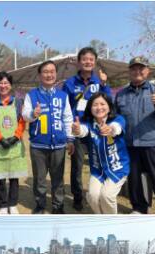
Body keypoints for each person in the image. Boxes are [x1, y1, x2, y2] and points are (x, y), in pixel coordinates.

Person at [116, 57, 155, 214]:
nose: (137, 71)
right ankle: (139, 208)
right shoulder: (121, 94)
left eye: (141, 68)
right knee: (134, 180)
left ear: (147, 71)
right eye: (133, 68)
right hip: (130, 144)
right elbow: (117, 118)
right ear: (129, 72)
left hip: (153, 143)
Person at [62, 47, 111, 211]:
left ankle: (99, 194)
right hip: (77, 131)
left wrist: (104, 84)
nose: (88, 62)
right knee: (76, 167)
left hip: (96, 130)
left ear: (94, 62)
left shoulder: (99, 82)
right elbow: (64, 108)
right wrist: (68, 135)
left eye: (91, 59)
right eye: (84, 59)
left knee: (99, 164)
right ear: (79, 62)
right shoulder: (69, 83)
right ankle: (77, 197)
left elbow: (108, 102)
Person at [22, 60, 74, 214]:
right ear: (39, 75)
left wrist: (70, 139)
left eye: (52, 71)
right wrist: (33, 114)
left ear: (56, 74)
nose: (49, 74)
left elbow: (68, 118)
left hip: (58, 146)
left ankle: (58, 206)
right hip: (38, 146)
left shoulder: (63, 96)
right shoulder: (31, 95)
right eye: (45, 71)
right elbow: (25, 115)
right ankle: (40, 205)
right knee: (39, 179)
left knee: (58, 179)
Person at [72, 93, 130, 213]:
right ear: (90, 108)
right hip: (98, 170)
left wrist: (110, 129)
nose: (99, 108)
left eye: (103, 104)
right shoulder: (89, 123)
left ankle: (111, 222)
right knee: (92, 196)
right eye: (95, 105)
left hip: (117, 168)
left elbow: (116, 128)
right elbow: (83, 131)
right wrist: (77, 130)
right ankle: (100, 217)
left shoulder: (118, 119)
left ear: (109, 106)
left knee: (107, 195)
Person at [0, 71, 27, 214]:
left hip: (15, 145)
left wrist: (16, 137)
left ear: (10, 85)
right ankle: (3, 204)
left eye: (6, 83)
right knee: (1, 177)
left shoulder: (18, 102)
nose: (3, 86)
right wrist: (0, 138)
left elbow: (22, 122)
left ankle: (13, 203)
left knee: (14, 176)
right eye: (0, 83)